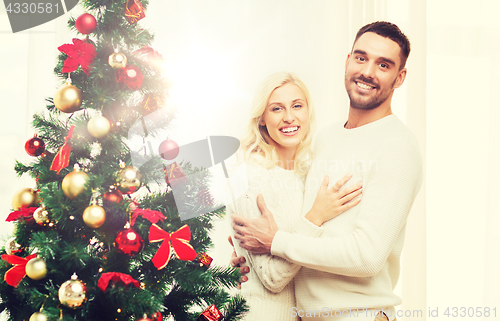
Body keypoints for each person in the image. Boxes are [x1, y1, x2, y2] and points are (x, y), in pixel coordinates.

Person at [231, 21, 423, 321]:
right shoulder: (325, 139)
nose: (368, 72)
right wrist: (251, 259)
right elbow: (305, 228)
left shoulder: (397, 147)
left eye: (383, 65)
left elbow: (367, 256)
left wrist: (276, 242)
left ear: (399, 78)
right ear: (348, 62)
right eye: (361, 58)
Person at [226, 71, 363, 321]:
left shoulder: (307, 173)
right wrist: (315, 216)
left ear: (308, 112)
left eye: (297, 106)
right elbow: (272, 278)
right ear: (262, 119)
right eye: (277, 109)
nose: (289, 117)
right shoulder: (250, 176)